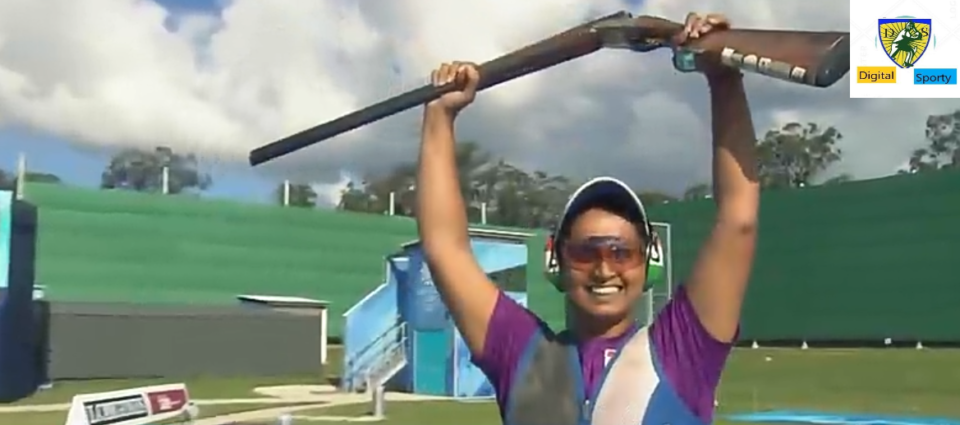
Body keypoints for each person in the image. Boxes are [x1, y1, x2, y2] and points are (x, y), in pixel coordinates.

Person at [415, 11, 758, 425]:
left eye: (622, 252)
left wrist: (723, 79)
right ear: (556, 260)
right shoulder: (520, 351)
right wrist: (439, 117)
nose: (603, 269)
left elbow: (738, 216)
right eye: (585, 252)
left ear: (648, 261)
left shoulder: (683, 349)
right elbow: (443, 246)